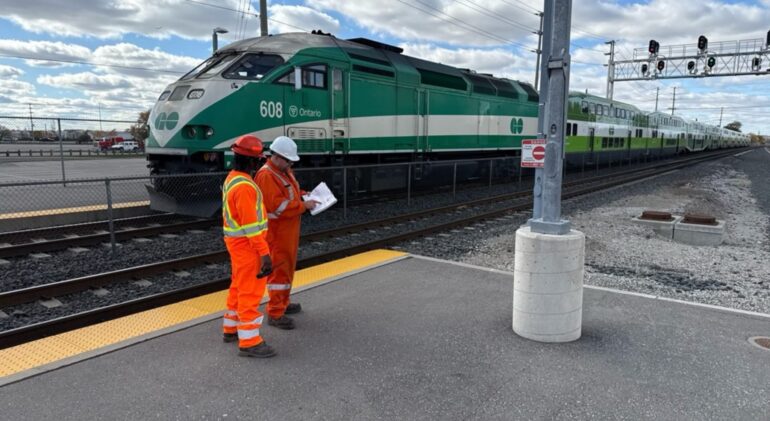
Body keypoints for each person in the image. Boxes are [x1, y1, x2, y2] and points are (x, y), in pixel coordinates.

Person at [255, 136, 318, 330]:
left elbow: (288, 194)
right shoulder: (267, 175)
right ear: (277, 156)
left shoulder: (282, 171)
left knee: (287, 268)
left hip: (287, 230)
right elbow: (277, 207)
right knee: (279, 271)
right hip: (277, 232)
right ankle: (275, 313)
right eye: (288, 160)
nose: (291, 163)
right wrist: (303, 205)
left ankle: (283, 303)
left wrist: (303, 194)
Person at [221, 135, 276, 358]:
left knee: (237, 286)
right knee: (250, 293)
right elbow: (251, 227)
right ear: (253, 162)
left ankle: (231, 328)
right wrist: (265, 254)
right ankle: (250, 341)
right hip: (248, 247)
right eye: (259, 160)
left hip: (237, 245)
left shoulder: (232, 179)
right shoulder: (245, 187)